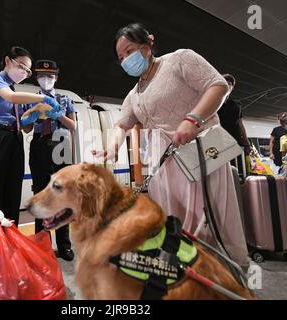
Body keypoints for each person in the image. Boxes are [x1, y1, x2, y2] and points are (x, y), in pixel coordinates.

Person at [93, 23, 248, 267]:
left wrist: (192, 119)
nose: (125, 59)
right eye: (121, 56)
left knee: (209, 216)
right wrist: (112, 146)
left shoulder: (179, 59)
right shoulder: (134, 94)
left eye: (129, 50)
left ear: (147, 44)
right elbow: (121, 125)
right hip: (164, 165)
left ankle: (222, 272)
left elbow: (217, 85)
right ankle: (187, 274)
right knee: (174, 219)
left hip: (201, 149)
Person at [0, 47, 62, 238]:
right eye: (22, 66)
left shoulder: (17, 92)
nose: (24, 72)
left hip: (14, 139)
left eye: (27, 71)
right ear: (8, 61)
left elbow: (23, 124)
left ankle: (10, 247)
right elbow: (10, 97)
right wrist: (44, 97)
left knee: (12, 196)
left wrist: (37, 114)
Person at [28, 59, 77, 261]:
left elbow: (73, 126)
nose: (45, 79)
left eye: (49, 76)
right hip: (39, 146)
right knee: (41, 196)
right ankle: (43, 245)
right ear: (37, 78)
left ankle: (64, 245)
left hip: (61, 145)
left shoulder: (65, 99)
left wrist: (58, 115)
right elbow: (26, 129)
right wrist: (30, 116)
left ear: (56, 77)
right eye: (41, 76)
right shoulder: (30, 99)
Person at [217, 74, 251, 175]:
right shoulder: (213, 102)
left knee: (239, 169)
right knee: (223, 171)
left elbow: (240, 124)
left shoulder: (236, 104)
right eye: (225, 82)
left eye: (231, 83)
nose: (228, 85)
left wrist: (247, 143)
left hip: (236, 140)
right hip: (219, 141)